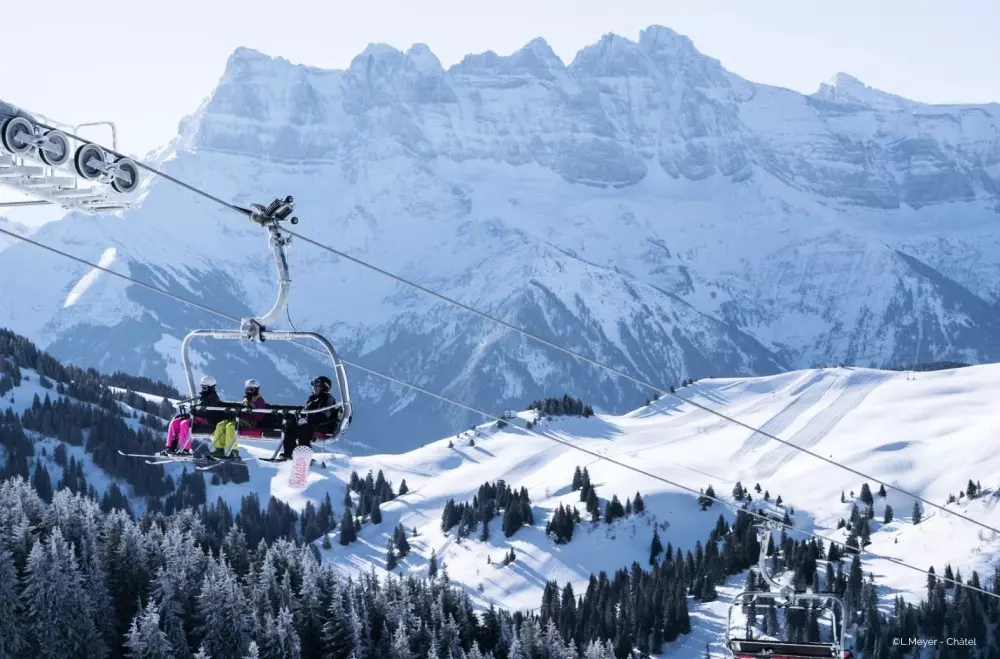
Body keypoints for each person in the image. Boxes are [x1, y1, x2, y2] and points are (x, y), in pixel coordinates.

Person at [279, 375, 341, 460]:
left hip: (323, 425)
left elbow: (324, 414)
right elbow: (305, 411)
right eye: (314, 386)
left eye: (317, 386)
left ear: (324, 387)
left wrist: (307, 420)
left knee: (304, 428)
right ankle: (289, 453)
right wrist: (299, 418)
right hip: (311, 423)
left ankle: (304, 455)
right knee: (290, 425)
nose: (314, 388)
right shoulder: (312, 399)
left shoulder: (328, 398)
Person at [163, 376, 222, 455]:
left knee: (184, 424)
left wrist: (195, 412)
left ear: (211, 387)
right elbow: (200, 409)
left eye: (204, 388)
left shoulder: (213, 398)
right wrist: (192, 412)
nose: (202, 390)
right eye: (202, 387)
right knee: (175, 421)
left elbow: (209, 412)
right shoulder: (204, 396)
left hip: (207, 422)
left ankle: (186, 449)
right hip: (199, 418)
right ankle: (170, 446)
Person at [210, 379, 268, 458]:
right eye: (247, 389)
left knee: (230, 426)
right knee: (220, 425)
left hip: (250, 422)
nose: (249, 392)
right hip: (239, 419)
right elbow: (241, 410)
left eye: (251, 390)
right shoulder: (246, 399)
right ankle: (219, 449)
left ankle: (232, 450)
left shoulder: (259, 400)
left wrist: (252, 410)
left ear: (256, 390)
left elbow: (260, 416)